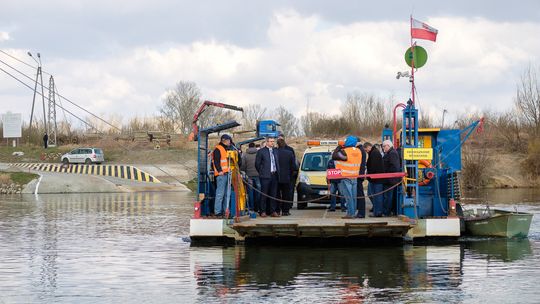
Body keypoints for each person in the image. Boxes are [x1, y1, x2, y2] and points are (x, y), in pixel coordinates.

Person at [332, 136, 362, 219]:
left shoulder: (345, 152)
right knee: (353, 196)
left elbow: (334, 156)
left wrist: (339, 146)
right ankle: (353, 213)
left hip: (346, 177)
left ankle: (350, 214)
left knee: (348, 197)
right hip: (354, 176)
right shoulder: (359, 151)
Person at [255, 137, 280, 217]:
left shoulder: (275, 151)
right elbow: (257, 164)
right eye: (271, 141)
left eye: (273, 141)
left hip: (274, 175)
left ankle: (273, 211)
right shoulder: (261, 151)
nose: (272, 143)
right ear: (266, 142)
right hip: (265, 176)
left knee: (273, 194)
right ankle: (262, 211)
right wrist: (262, 172)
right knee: (264, 194)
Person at [212, 134, 232, 217]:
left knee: (227, 194)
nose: (230, 142)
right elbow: (216, 161)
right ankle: (218, 212)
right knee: (220, 194)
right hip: (221, 175)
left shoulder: (227, 148)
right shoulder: (218, 149)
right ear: (224, 140)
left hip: (227, 173)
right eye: (229, 140)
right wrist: (220, 171)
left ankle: (225, 211)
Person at [364, 142, 385, 217]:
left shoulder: (374, 153)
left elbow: (373, 167)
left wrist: (368, 175)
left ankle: (378, 212)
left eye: (366, 149)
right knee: (376, 196)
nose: (366, 151)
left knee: (377, 196)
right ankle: (377, 212)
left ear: (369, 147)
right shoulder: (374, 152)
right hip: (376, 179)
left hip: (376, 179)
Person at [276, 138, 297, 216]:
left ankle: (277, 210)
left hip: (276, 177)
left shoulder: (275, 152)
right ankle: (285, 211)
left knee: (276, 195)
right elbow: (294, 167)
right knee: (286, 195)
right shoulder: (289, 153)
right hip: (287, 177)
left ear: (277, 144)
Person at [382, 140, 401, 216]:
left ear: (388, 146)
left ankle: (387, 212)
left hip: (390, 179)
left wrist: (386, 172)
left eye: (384, 146)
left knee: (388, 197)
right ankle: (388, 211)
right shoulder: (390, 153)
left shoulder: (392, 153)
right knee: (388, 196)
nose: (383, 148)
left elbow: (395, 167)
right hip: (390, 179)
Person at [241, 142, 261, 212]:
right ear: (255, 146)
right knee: (258, 191)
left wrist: (245, 171)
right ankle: (257, 207)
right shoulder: (258, 153)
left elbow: (243, 166)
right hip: (258, 175)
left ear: (248, 147)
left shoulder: (245, 155)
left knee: (250, 192)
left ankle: (251, 207)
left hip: (249, 175)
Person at [277, 132, 298, 199]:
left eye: (281, 139)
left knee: (288, 192)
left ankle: (288, 204)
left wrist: (292, 172)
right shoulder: (275, 150)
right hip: (278, 176)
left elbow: (293, 163)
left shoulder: (290, 150)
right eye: (278, 139)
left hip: (288, 175)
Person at [356, 141, 367, 218]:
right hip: (360, 174)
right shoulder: (362, 150)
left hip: (358, 175)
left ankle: (361, 213)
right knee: (360, 194)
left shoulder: (359, 150)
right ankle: (360, 212)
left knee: (360, 194)